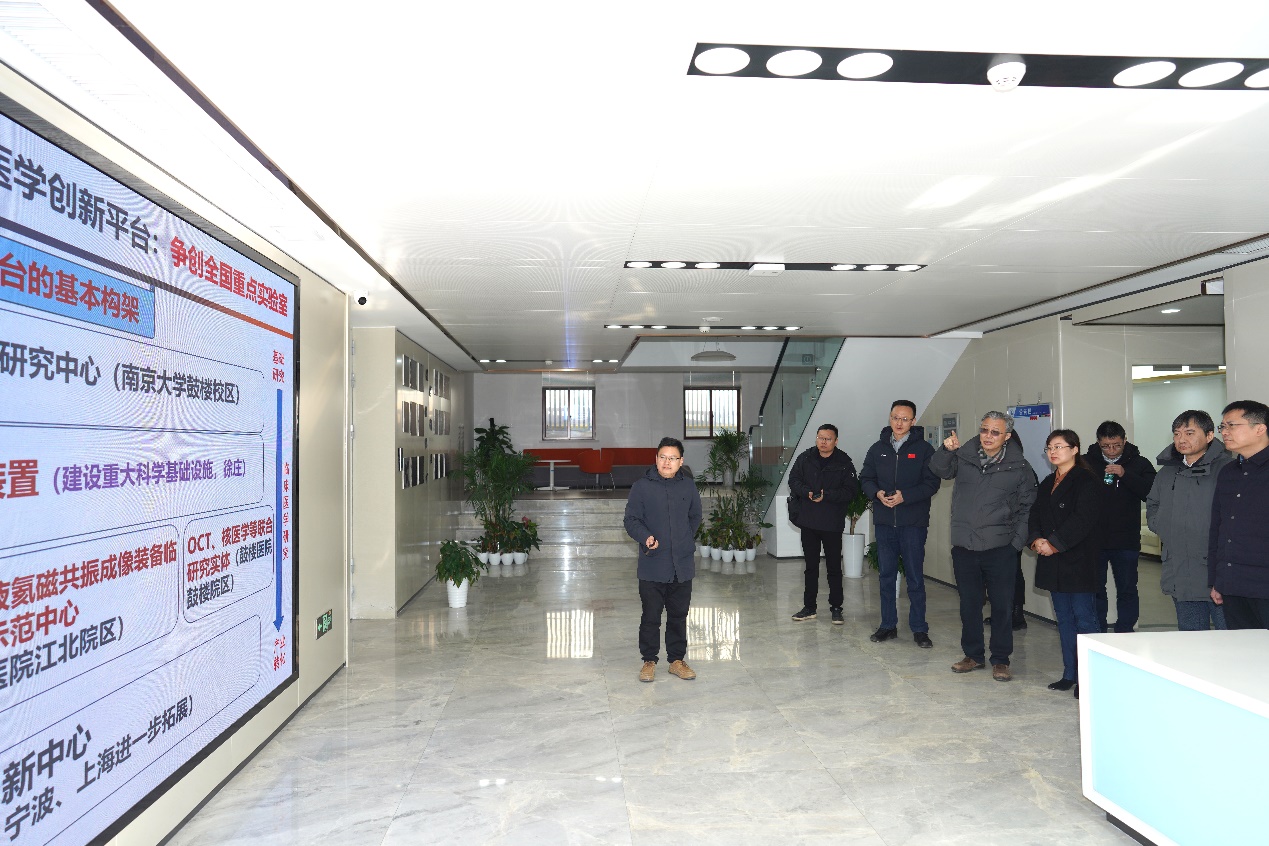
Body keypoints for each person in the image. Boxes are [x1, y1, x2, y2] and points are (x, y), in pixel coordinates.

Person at [930, 411, 1037, 682]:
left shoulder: (1020, 467)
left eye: (995, 432)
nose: (988, 436)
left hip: (1000, 547)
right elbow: (940, 470)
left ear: (1007, 436)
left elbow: (1028, 508)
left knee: (1002, 606)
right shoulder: (964, 456)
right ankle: (973, 655)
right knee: (969, 604)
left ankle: (1000, 660)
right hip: (964, 545)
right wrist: (946, 450)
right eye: (984, 430)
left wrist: (1015, 544)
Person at [859, 400, 941, 647]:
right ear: (890, 418)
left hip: (913, 523)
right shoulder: (877, 449)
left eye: (905, 419)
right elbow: (866, 478)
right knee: (886, 576)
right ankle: (888, 625)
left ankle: (919, 628)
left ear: (913, 421)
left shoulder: (925, 449)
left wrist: (906, 496)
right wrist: (876, 494)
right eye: (896, 417)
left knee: (915, 577)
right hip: (885, 523)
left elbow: (932, 483)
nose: (899, 423)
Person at [1028, 430, 1101, 697]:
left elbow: (1083, 519)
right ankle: (1070, 673)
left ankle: (1091, 677)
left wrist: (1054, 543)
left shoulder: (1086, 480)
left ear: (1075, 449)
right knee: (1064, 619)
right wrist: (1036, 540)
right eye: (1049, 448)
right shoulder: (1048, 481)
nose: (1053, 452)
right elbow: (1034, 514)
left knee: (1084, 619)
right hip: (1054, 562)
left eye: (1059, 447)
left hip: (1078, 560)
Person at [624, 436, 702, 682]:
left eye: (672, 458)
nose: (667, 462)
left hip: (682, 564)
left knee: (679, 615)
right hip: (653, 563)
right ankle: (649, 661)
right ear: (656, 458)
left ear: (681, 461)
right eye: (663, 457)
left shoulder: (688, 486)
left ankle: (676, 660)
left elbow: (695, 517)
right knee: (651, 616)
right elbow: (631, 520)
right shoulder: (641, 487)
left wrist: (683, 540)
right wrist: (645, 537)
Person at [1146, 410, 1231, 631]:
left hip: (1216, 570)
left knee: (1231, 637)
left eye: (1190, 433)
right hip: (1179, 568)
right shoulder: (1167, 472)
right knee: (1191, 637)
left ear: (1210, 435)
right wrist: (1160, 524)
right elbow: (1153, 504)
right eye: (1177, 434)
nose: (1181, 439)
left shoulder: (1227, 469)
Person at [1085, 421, 1156, 633]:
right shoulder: (1086, 462)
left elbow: (1151, 493)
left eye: (1116, 445)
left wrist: (1125, 475)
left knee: (1127, 589)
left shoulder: (1140, 463)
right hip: (1094, 539)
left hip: (1126, 539)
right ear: (1098, 442)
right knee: (1096, 589)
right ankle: (1097, 631)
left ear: (1124, 441)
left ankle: (1125, 631)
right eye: (1106, 446)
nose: (1112, 450)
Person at [788, 424, 859, 625]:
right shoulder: (805, 458)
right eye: (820, 438)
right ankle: (809, 607)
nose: (823, 442)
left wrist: (827, 495)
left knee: (834, 567)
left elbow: (850, 491)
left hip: (832, 522)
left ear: (836, 441)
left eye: (828, 439)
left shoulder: (844, 462)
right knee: (810, 567)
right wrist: (807, 492)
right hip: (808, 521)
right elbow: (793, 480)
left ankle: (836, 608)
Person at [1208, 401, 1269, 630]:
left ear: (1260, 428)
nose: (1224, 432)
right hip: (1233, 584)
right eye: (1222, 426)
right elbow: (1218, 528)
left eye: (1232, 425)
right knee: (1241, 647)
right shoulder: (1228, 472)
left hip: (1264, 585)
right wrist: (1217, 580)